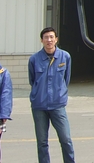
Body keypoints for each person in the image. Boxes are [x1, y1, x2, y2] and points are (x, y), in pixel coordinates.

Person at [28, 27, 75, 163]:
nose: (49, 40)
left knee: (66, 139)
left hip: (57, 105)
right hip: (39, 106)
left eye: (51, 37)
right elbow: (32, 80)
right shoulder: (34, 59)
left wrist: (59, 93)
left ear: (56, 39)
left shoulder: (65, 57)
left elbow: (66, 79)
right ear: (41, 40)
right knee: (42, 142)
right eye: (46, 37)